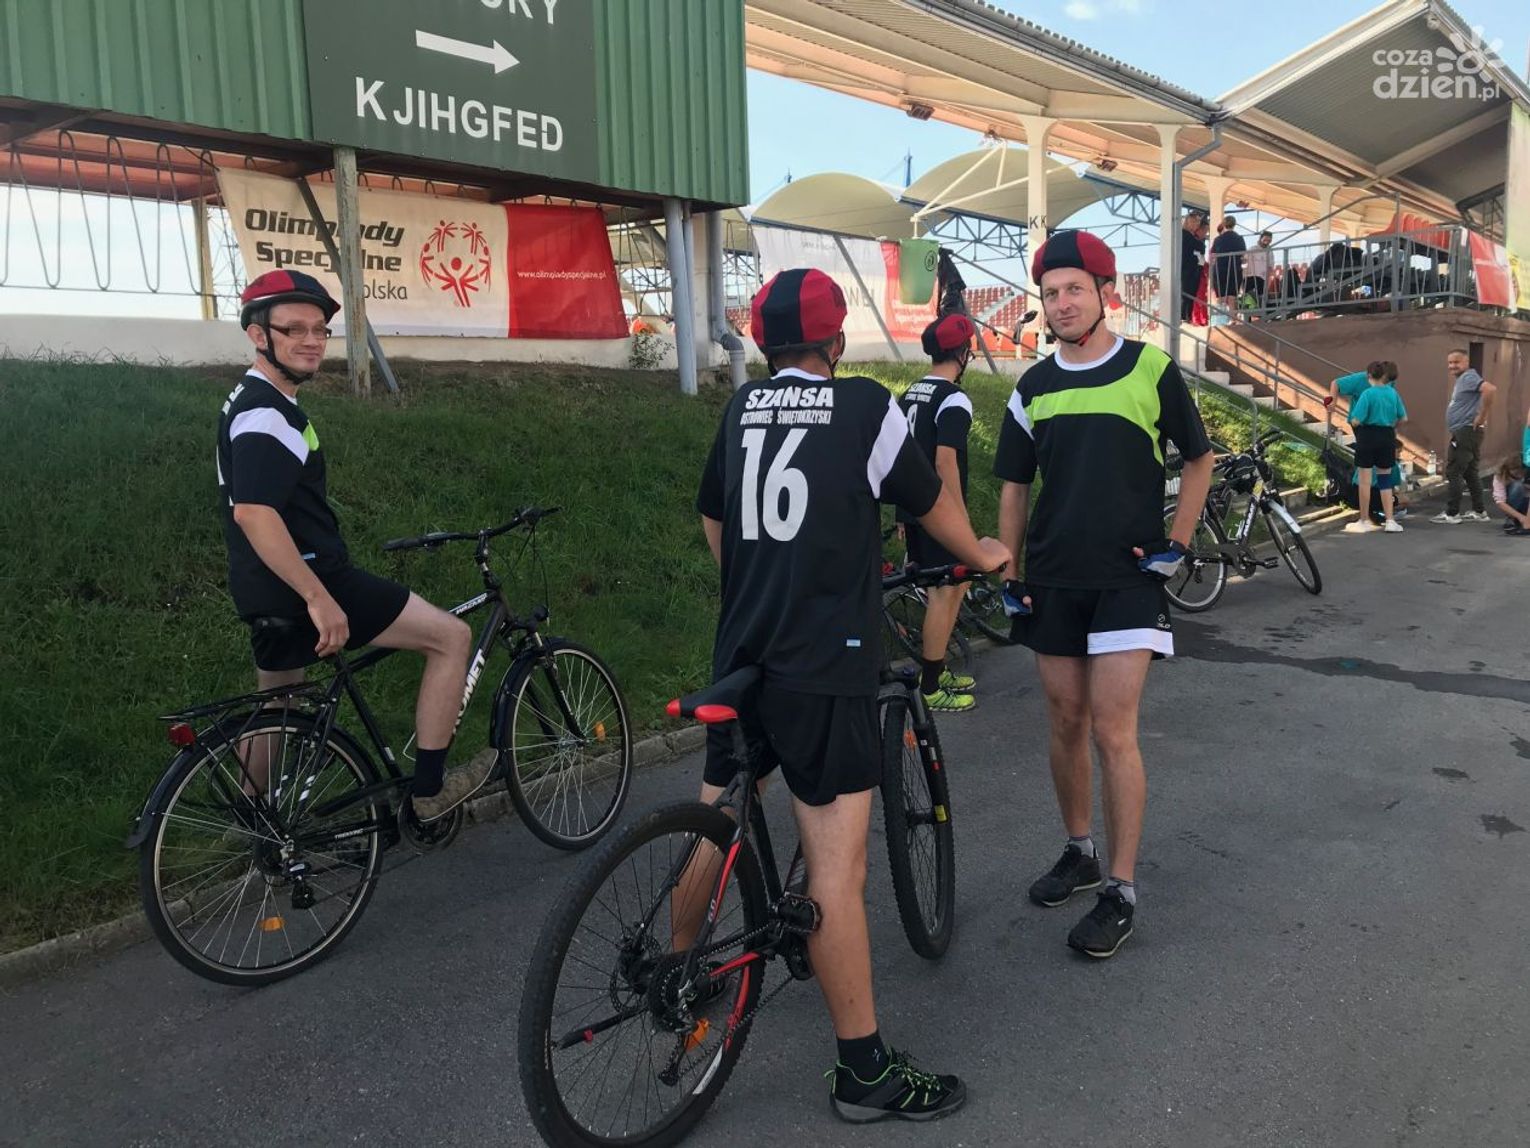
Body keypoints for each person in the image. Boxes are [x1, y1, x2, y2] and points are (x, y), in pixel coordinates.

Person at [693, 268, 1010, 1121]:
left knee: (716, 813)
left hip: (742, 647)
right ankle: (863, 1071)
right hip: (825, 663)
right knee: (836, 864)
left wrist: (753, 584)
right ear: (836, 342)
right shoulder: (864, 405)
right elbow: (929, 502)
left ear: (765, 344)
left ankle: (681, 972)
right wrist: (980, 554)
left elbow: (716, 517)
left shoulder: (741, 409)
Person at [993, 230, 1215, 959]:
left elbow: (1200, 459)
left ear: (1105, 293)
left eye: (1074, 290)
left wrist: (1177, 542)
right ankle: (1080, 851)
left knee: (1113, 730)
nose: (1061, 303)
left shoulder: (1150, 368)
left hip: (1126, 579)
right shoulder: (1032, 387)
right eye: (1051, 293)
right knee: (1065, 720)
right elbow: (1015, 488)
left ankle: (1120, 890)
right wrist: (1011, 574)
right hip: (1053, 579)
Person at [218, 270, 472, 822]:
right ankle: (429, 793)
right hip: (311, 580)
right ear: (258, 335)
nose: (312, 341)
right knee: (451, 638)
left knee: (278, 708)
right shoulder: (267, 414)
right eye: (294, 329)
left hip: (261, 587)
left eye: (320, 330)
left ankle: (254, 829)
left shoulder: (251, 399)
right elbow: (254, 512)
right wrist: (318, 597)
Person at [897, 313, 981, 713]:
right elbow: (945, 460)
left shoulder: (911, 392)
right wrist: (959, 519)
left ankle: (938, 666)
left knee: (952, 586)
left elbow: (900, 455)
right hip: (939, 511)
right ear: (963, 353)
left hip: (915, 508)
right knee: (944, 593)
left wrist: (902, 513)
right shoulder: (953, 398)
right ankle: (930, 687)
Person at [1432, 348, 1496, 524]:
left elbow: (1490, 389)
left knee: (1454, 471)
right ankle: (1479, 511)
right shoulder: (1464, 379)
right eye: (1450, 363)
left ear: (1466, 362)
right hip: (1468, 432)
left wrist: (1482, 416)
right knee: (1470, 472)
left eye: (1456, 362)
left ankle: (1452, 513)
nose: (1452, 366)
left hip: (1465, 431)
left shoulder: (1468, 377)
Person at [1343, 362, 1408, 534]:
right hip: (1387, 435)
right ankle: (1390, 520)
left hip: (1367, 436)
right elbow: (1403, 418)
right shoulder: (1393, 393)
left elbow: (1356, 419)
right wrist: (1391, 425)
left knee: (1365, 480)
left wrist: (1357, 422)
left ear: (1369, 376)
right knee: (1385, 480)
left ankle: (1364, 519)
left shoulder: (1367, 393)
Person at [1209, 216, 1247, 317]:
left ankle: (1221, 319)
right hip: (1235, 269)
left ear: (1224, 225)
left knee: (1221, 296)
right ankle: (1233, 318)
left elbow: (1213, 254)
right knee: (1232, 296)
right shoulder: (1239, 239)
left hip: (1220, 269)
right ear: (1234, 225)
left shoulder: (1218, 239)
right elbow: (1243, 254)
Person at [1490, 455, 1529, 535]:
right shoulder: (1500, 476)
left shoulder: (1528, 473)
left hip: (1527, 504)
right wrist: (1521, 518)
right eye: (1514, 470)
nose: (1518, 473)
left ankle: (1523, 518)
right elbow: (1500, 502)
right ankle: (1512, 518)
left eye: (1520, 470)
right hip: (1513, 504)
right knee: (1517, 486)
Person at [1179, 210, 1206, 322]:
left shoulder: (1192, 236)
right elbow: (1198, 247)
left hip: (1193, 269)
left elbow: (1200, 249)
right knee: (1186, 294)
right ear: (1188, 222)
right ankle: (1183, 317)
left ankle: (1187, 317)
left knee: (1190, 295)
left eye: (1198, 222)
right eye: (1194, 222)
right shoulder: (1184, 235)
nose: (1196, 225)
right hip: (1187, 269)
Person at [1244, 230, 1274, 309]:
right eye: (1265, 239)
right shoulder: (1252, 249)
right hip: (1250, 276)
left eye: (1269, 240)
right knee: (1248, 297)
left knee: (1261, 298)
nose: (1267, 242)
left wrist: (1268, 279)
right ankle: (1249, 312)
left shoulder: (1270, 251)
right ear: (1260, 238)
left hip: (1262, 278)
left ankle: (1260, 311)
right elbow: (1244, 260)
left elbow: (1270, 266)